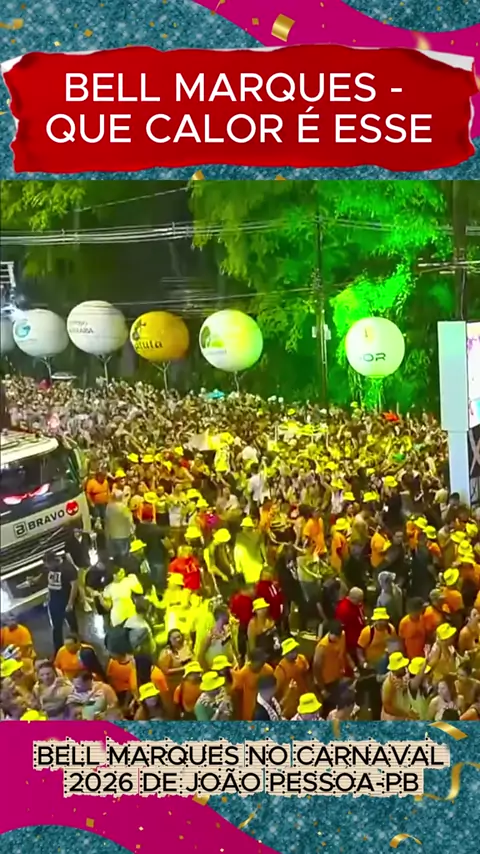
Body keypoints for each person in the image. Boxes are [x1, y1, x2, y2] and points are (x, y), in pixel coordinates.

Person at [43, 550, 78, 653]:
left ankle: (76, 645)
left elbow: (74, 586)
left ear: (53, 561)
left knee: (72, 625)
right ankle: (58, 650)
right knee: (56, 627)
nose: (47, 567)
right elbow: (50, 582)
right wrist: (49, 595)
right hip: (54, 602)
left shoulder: (68, 568)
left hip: (65, 600)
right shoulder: (50, 568)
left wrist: (70, 603)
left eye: (48, 565)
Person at [313, 620, 354, 708]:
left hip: (337, 677)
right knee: (329, 706)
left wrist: (354, 667)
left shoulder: (342, 635)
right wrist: (322, 689)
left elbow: (344, 652)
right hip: (326, 682)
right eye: (336, 636)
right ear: (330, 633)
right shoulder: (322, 647)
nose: (338, 639)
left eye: (339, 636)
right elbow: (316, 668)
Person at [274, 637, 310, 719]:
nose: (294, 653)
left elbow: (307, 677)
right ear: (285, 654)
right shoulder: (281, 669)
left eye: (295, 650)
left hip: (302, 700)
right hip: (289, 705)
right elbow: (276, 691)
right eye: (291, 651)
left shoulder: (302, 659)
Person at [233, 649, 274, 720]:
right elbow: (237, 694)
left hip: (265, 707)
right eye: (260, 661)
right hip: (250, 710)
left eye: (264, 661)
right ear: (252, 661)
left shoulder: (268, 670)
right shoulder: (243, 674)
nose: (263, 663)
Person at [334, 587, 365, 665]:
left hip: (359, 640)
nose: (360, 602)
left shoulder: (356, 604)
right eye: (359, 600)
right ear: (352, 598)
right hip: (350, 643)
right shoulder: (343, 610)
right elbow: (341, 629)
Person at [158, 629, 194, 695]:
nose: (178, 640)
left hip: (188, 681)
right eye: (174, 638)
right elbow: (165, 671)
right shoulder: (166, 653)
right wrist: (184, 668)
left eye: (179, 636)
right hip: (174, 684)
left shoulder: (186, 646)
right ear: (170, 640)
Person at [381, 651, 411, 721]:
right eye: (401, 667)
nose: (404, 668)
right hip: (393, 719)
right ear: (395, 669)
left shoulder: (405, 673)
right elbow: (387, 707)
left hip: (405, 713)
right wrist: (405, 713)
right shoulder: (388, 684)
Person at [105, 491, 134, 560]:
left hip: (112, 534)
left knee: (115, 555)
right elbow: (130, 520)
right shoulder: (124, 507)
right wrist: (132, 531)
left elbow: (107, 520)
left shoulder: (109, 507)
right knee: (123, 555)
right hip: (123, 535)